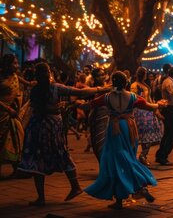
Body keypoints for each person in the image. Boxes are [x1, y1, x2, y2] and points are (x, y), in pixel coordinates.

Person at [18, 62, 108, 206]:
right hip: (51, 126)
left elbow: (35, 106)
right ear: (49, 74)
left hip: (38, 127)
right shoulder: (54, 88)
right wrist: (100, 89)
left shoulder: (36, 89)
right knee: (61, 154)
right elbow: (79, 93)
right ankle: (75, 186)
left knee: (37, 159)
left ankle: (42, 197)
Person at [85, 71, 166, 210]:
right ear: (126, 83)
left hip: (114, 128)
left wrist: (77, 104)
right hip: (129, 128)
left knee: (114, 160)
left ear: (112, 83)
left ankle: (123, 197)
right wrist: (159, 105)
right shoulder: (133, 97)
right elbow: (148, 106)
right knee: (128, 156)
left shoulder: (106, 97)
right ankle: (138, 186)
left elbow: (91, 104)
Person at [131, 67, 163, 166]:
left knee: (150, 136)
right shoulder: (134, 85)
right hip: (139, 112)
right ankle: (133, 157)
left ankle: (143, 155)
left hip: (148, 111)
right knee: (136, 136)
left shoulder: (145, 85)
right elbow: (135, 99)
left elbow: (149, 99)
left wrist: (155, 109)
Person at [0, 54, 26, 177]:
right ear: (6, 65)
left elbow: (26, 83)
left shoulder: (15, 76)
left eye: (17, 63)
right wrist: (7, 108)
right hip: (2, 112)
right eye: (14, 63)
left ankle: (17, 168)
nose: (17, 66)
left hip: (12, 114)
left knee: (16, 138)